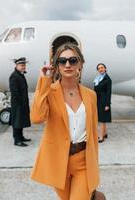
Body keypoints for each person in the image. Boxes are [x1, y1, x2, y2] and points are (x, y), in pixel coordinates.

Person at [30, 43, 100, 199]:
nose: (68, 65)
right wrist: (43, 82)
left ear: (80, 64)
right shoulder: (49, 91)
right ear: (56, 66)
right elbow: (36, 118)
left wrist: (94, 166)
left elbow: (93, 135)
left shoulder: (90, 95)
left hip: (83, 162)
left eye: (73, 60)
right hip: (57, 162)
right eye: (62, 61)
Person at [9, 57, 31, 147]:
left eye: (24, 65)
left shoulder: (20, 75)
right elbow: (14, 92)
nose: (23, 67)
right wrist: (20, 103)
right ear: (17, 65)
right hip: (18, 103)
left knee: (21, 121)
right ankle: (17, 140)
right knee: (17, 121)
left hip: (22, 102)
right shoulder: (14, 76)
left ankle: (21, 136)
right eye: (22, 65)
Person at [94, 63, 112, 143]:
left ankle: (101, 137)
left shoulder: (108, 79)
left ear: (105, 69)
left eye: (102, 67)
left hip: (103, 101)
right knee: (102, 118)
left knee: (100, 120)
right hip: (98, 100)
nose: (100, 69)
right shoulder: (98, 78)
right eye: (99, 68)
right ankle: (105, 133)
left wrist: (107, 104)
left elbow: (109, 92)